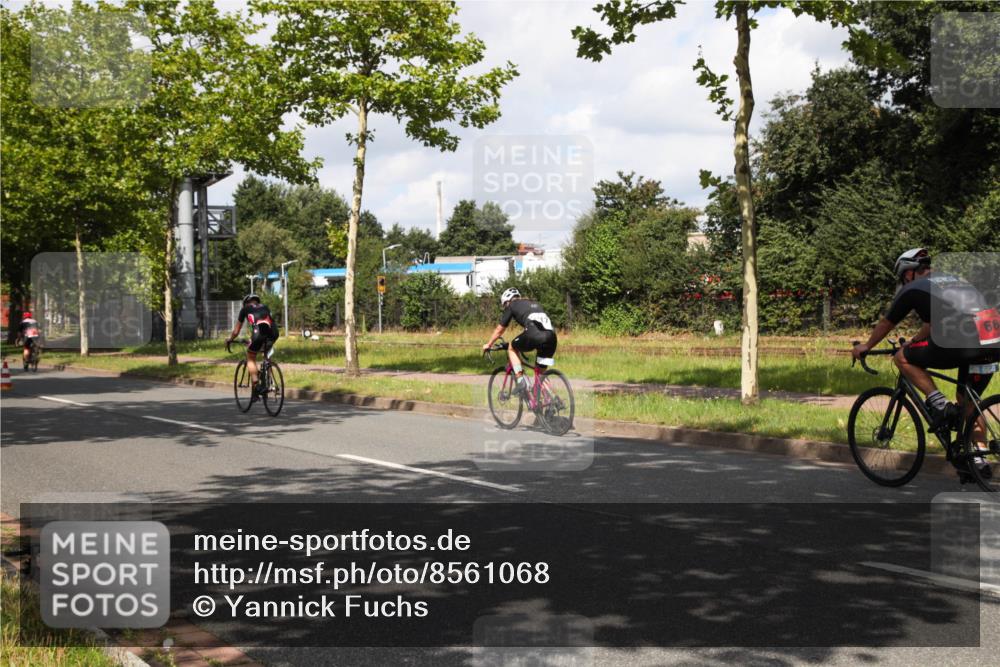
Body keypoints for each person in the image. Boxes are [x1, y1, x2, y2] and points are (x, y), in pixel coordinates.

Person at [852, 248, 999, 478]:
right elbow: (932, 325)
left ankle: (938, 404)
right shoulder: (951, 281)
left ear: (908, 274)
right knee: (968, 401)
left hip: (962, 342)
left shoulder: (914, 288)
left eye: (903, 277)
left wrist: (866, 346)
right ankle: (978, 461)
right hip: (992, 341)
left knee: (902, 358)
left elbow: (887, 322)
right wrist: (913, 342)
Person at [482, 288, 557, 396]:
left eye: (504, 305)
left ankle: (521, 381)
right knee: (541, 374)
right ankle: (554, 400)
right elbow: (533, 327)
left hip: (534, 334)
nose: (505, 308)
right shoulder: (533, 303)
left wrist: (489, 344)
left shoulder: (512, 305)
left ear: (507, 301)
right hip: (551, 337)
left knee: (512, 348)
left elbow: (500, 329)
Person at [225, 294, 278, 401]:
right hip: (274, 333)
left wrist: (230, 339)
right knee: (266, 354)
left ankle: (257, 385)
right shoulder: (265, 306)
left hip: (259, 333)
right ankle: (271, 382)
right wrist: (253, 339)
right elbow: (265, 325)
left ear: (245, 303)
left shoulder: (245, 309)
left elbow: (236, 331)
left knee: (251, 356)